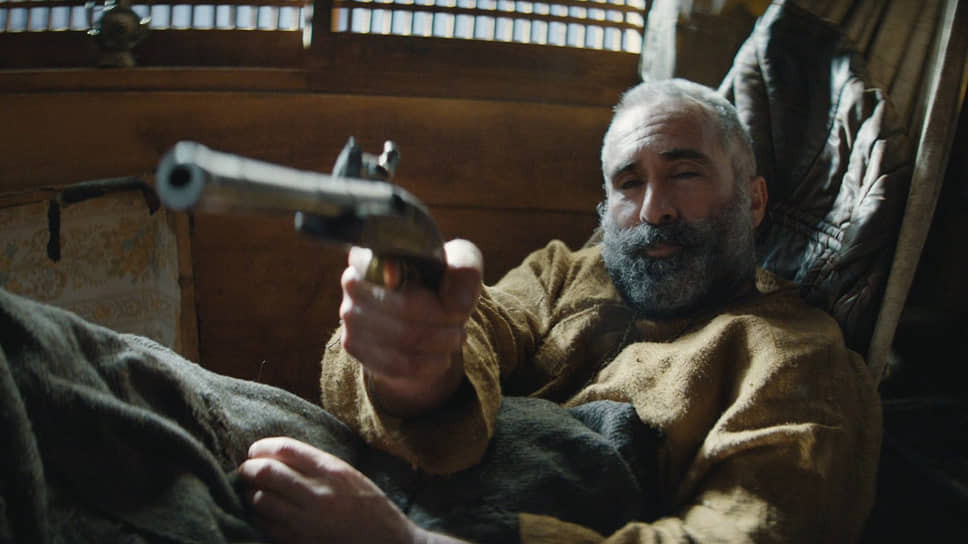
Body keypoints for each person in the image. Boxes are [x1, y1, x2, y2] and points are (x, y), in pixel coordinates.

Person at [239, 77, 882, 543]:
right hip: (361, 470)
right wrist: (419, 366)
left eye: (685, 174)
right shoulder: (567, 270)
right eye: (629, 183)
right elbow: (485, 321)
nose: (654, 208)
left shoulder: (798, 356)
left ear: (755, 200)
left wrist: (405, 539)